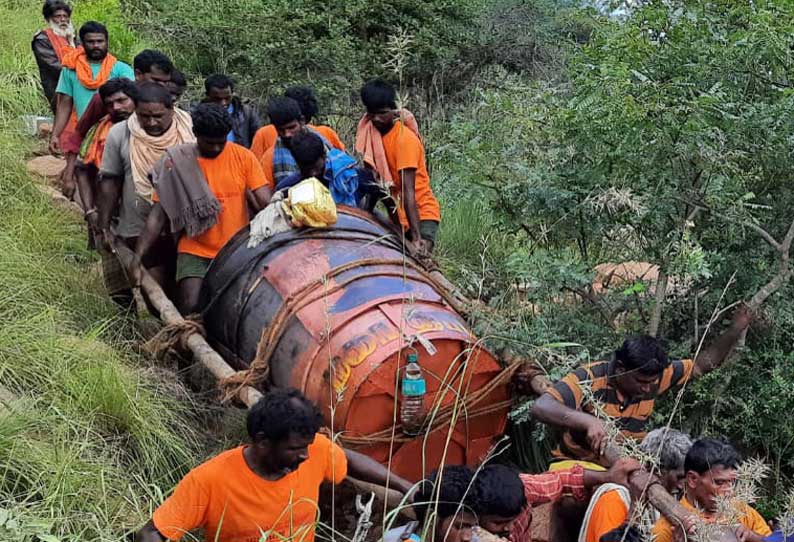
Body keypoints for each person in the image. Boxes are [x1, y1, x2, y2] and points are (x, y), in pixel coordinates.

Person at [134, 388, 413, 542]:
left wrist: (404, 486)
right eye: (295, 449)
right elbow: (151, 532)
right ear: (263, 442)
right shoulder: (210, 480)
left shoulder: (311, 451)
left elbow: (347, 459)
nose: (306, 455)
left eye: (307, 446)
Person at [530, 307, 753, 466]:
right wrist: (588, 421)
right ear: (619, 368)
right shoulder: (590, 377)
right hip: (578, 465)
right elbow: (541, 406)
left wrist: (734, 330)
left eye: (652, 382)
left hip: (628, 463)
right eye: (640, 382)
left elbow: (701, 365)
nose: (648, 388)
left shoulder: (655, 376)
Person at [133, 103, 270, 315]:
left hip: (236, 250)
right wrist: (138, 257)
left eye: (221, 142)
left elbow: (265, 201)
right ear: (195, 134)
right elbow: (157, 216)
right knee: (190, 306)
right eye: (209, 143)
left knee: (238, 310)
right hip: (195, 248)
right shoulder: (176, 162)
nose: (216, 148)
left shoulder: (243, 157)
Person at [97, 82, 194, 293]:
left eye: (158, 116)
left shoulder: (191, 130)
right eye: (144, 116)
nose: (151, 122)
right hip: (139, 226)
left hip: (186, 227)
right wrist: (103, 226)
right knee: (155, 289)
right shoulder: (120, 134)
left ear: (172, 109)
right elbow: (110, 182)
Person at [49, 21, 134, 199]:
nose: (96, 45)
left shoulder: (121, 69)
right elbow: (65, 103)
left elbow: (132, 101)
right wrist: (56, 134)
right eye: (90, 42)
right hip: (85, 132)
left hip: (115, 134)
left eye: (100, 41)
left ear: (107, 42)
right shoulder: (70, 70)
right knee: (89, 179)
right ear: (82, 42)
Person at [356, 79, 441, 253]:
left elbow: (407, 190)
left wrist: (416, 238)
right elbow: (377, 183)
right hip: (398, 217)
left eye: (382, 113)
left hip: (421, 214)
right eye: (372, 114)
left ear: (394, 111)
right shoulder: (374, 137)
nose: (377, 119)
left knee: (419, 259)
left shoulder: (404, 140)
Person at [74, 78, 137, 307]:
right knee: (115, 276)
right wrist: (90, 210)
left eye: (122, 101)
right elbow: (81, 169)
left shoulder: (151, 129)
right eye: (110, 104)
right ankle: (126, 326)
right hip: (109, 214)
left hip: (145, 213)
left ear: (134, 99)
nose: (117, 108)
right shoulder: (99, 131)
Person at [471, 458, 641, 542]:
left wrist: (607, 476)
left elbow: (561, 480)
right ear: (478, 515)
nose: (508, 528)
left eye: (513, 520)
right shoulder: (465, 530)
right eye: (498, 523)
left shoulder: (526, 488)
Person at [580, 428, 693, 542]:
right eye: (679, 477)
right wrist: (634, 510)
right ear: (655, 469)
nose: (681, 486)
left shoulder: (658, 507)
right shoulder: (615, 499)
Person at [652, 438, 772, 542]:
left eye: (731, 482)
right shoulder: (668, 528)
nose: (729, 491)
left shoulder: (742, 511)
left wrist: (752, 536)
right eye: (719, 482)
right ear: (693, 479)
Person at [384, 465, 478, 542]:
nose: (467, 537)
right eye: (459, 526)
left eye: (472, 527)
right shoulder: (394, 539)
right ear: (432, 519)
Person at [250, 85, 345, 159]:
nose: (287, 134)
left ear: (302, 120)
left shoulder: (264, 134)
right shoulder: (326, 133)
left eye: (292, 127)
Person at [32, 0, 78, 113]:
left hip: (80, 88)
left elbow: (86, 58)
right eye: (58, 16)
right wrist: (83, 72)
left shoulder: (74, 37)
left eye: (65, 16)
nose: (63, 20)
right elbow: (55, 66)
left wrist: (71, 41)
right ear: (49, 19)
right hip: (59, 90)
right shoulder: (42, 39)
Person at [202, 74, 261, 148]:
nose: (223, 103)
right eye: (217, 99)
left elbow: (258, 140)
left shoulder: (246, 113)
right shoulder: (198, 115)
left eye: (227, 98)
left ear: (232, 93)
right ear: (207, 95)